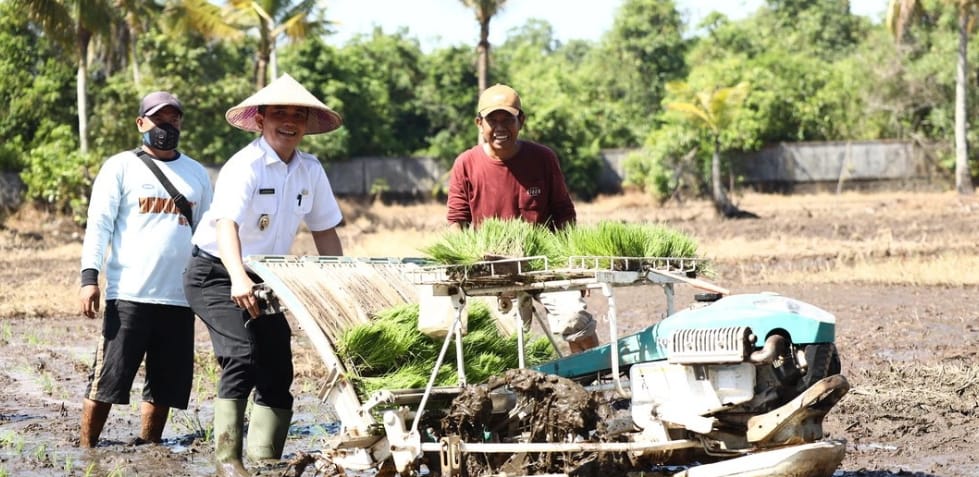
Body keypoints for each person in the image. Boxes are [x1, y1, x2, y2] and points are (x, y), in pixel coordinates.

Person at [183, 73, 344, 476]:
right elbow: (226, 227)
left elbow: (325, 230)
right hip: (217, 272)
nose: (289, 121)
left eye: (297, 114)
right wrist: (239, 278)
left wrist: (337, 283)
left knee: (277, 365)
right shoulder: (246, 165)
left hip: (266, 278)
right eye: (279, 113)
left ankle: (265, 458)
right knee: (241, 354)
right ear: (260, 119)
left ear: (307, 123)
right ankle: (227, 461)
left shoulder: (310, 169)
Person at [78, 91, 213, 448]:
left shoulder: (196, 172)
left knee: (165, 385)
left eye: (174, 119)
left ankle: (149, 446)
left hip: (179, 298)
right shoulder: (120, 166)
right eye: (158, 119)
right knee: (108, 381)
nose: (167, 126)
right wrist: (89, 278)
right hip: (129, 296)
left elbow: (208, 233)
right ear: (141, 124)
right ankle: (86, 448)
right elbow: (99, 225)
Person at [446, 83, 600, 353]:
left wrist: (575, 268)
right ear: (479, 123)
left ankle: (594, 380)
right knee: (505, 345)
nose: (500, 127)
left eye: (508, 119)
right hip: (493, 271)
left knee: (574, 318)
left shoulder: (543, 158)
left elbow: (564, 213)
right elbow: (457, 222)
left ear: (522, 121)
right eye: (493, 120)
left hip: (545, 262)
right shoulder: (466, 164)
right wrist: (470, 268)